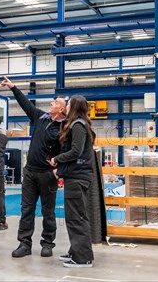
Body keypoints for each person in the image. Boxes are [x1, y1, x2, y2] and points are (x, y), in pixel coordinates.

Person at [1, 76, 66, 258]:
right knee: (26, 209)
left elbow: (67, 152)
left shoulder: (64, 128)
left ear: (61, 109)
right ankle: (24, 243)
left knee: (48, 211)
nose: (51, 103)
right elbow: (25, 104)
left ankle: (47, 244)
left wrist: (58, 169)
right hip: (30, 172)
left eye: (55, 102)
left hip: (47, 174)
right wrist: (13, 87)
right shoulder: (40, 118)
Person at [49, 95, 96, 268]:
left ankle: (83, 258)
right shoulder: (80, 125)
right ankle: (76, 251)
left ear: (74, 107)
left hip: (77, 178)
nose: (66, 107)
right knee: (74, 216)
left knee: (76, 217)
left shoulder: (77, 126)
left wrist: (56, 159)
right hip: (75, 176)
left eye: (68, 104)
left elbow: (76, 151)